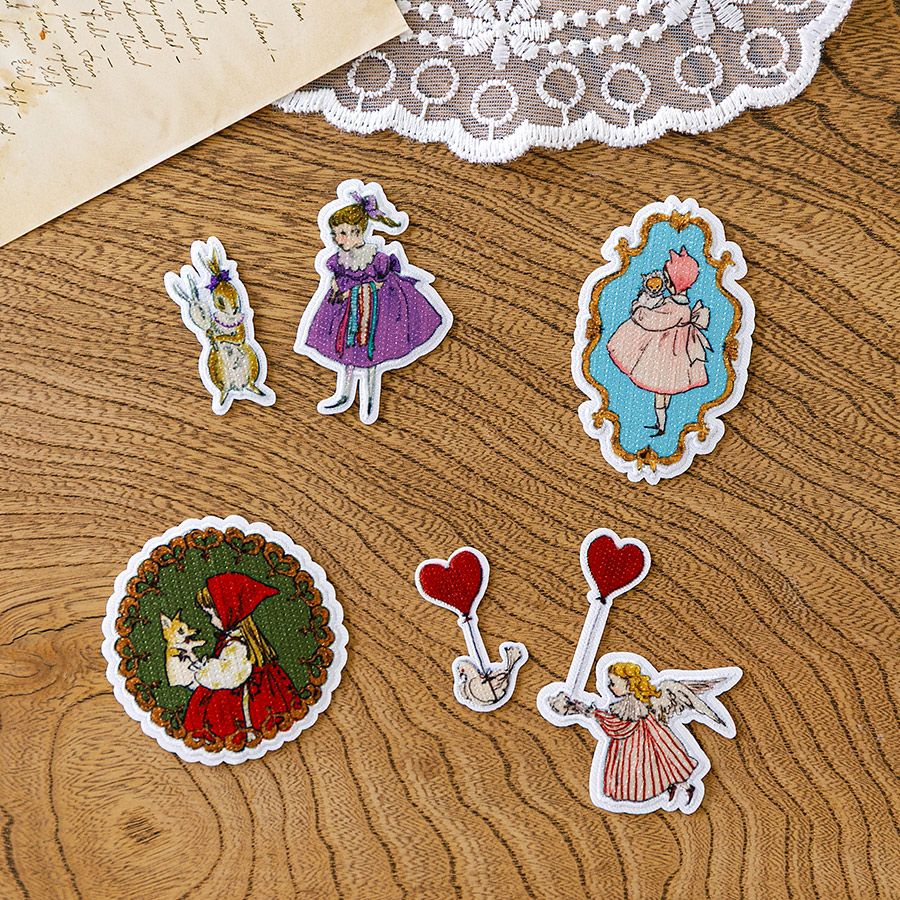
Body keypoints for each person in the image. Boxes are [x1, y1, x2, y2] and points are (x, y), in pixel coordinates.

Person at [300, 190, 448, 424]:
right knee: (347, 353)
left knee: (371, 355)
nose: (338, 239)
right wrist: (337, 288)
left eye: (342, 233)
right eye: (336, 234)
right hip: (346, 313)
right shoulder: (338, 259)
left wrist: (359, 290)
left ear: (357, 232)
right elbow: (335, 278)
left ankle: (369, 398)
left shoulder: (376, 258)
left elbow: (382, 282)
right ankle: (344, 394)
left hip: (374, 313)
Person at [182, 573, 304, 743]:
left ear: (229, 612)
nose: (211, 621)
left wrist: (203, 671)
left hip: (242, 699)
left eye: (213, 615)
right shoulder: (233, 639)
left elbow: (231, 674)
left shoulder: (237, 645)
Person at [606, 247, 711, 435]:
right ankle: (661, 424)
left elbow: (652, 321)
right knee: (664, 391)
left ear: (671, 283)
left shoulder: (675, 308)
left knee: (662, 389)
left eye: (666, 278)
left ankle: (661, 426)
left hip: (668, 354)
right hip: (673, 351)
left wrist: (638, 308)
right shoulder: (681, 305)